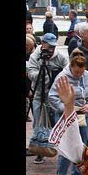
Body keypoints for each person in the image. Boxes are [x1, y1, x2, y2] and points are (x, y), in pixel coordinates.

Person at [48, 53, 88, 175]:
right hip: (67, 116)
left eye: (81, 72)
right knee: (67, 148)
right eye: (76, 71)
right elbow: (52, 97)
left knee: (81, 147)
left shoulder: (87, 76)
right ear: (71, 67)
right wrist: (67, 108)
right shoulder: (62, 77)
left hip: (83, 116)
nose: (79, 74)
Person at [28, 34, 69, 163]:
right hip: (39, 94)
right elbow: (31, 74)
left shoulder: (60, 56)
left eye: (53, 46)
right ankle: (40, 150)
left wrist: (57, 76)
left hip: (54, 94)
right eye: (49, 46)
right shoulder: (35, 56)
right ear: (43, 44)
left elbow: (68, 70)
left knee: (55, 122)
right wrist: (43, 73)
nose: (51, 49)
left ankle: (59, 148)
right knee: (38, 123)